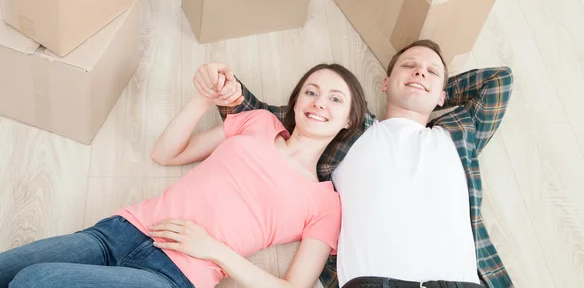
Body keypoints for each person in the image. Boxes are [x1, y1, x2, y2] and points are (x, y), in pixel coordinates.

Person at [0, 63, 368, 288]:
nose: (319, 101)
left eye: (336, 99)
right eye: (311, 91)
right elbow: (166, 152)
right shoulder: (259, 123)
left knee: (36, 281)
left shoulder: (326, 203)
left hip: (173, 277)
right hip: (120, 232)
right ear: (297, 100)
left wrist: (213, 250)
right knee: (9, 270)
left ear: (350, 119)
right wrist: (204, 99)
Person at [199, 39, 515, 288]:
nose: (420, 72)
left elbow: (499, 81)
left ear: (444, 96)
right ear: (385, 82)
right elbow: (265, 120)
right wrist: (227, 90)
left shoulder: (459, 134)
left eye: (431, 71)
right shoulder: (349, 126)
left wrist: (434, 90)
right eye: (410, 66)